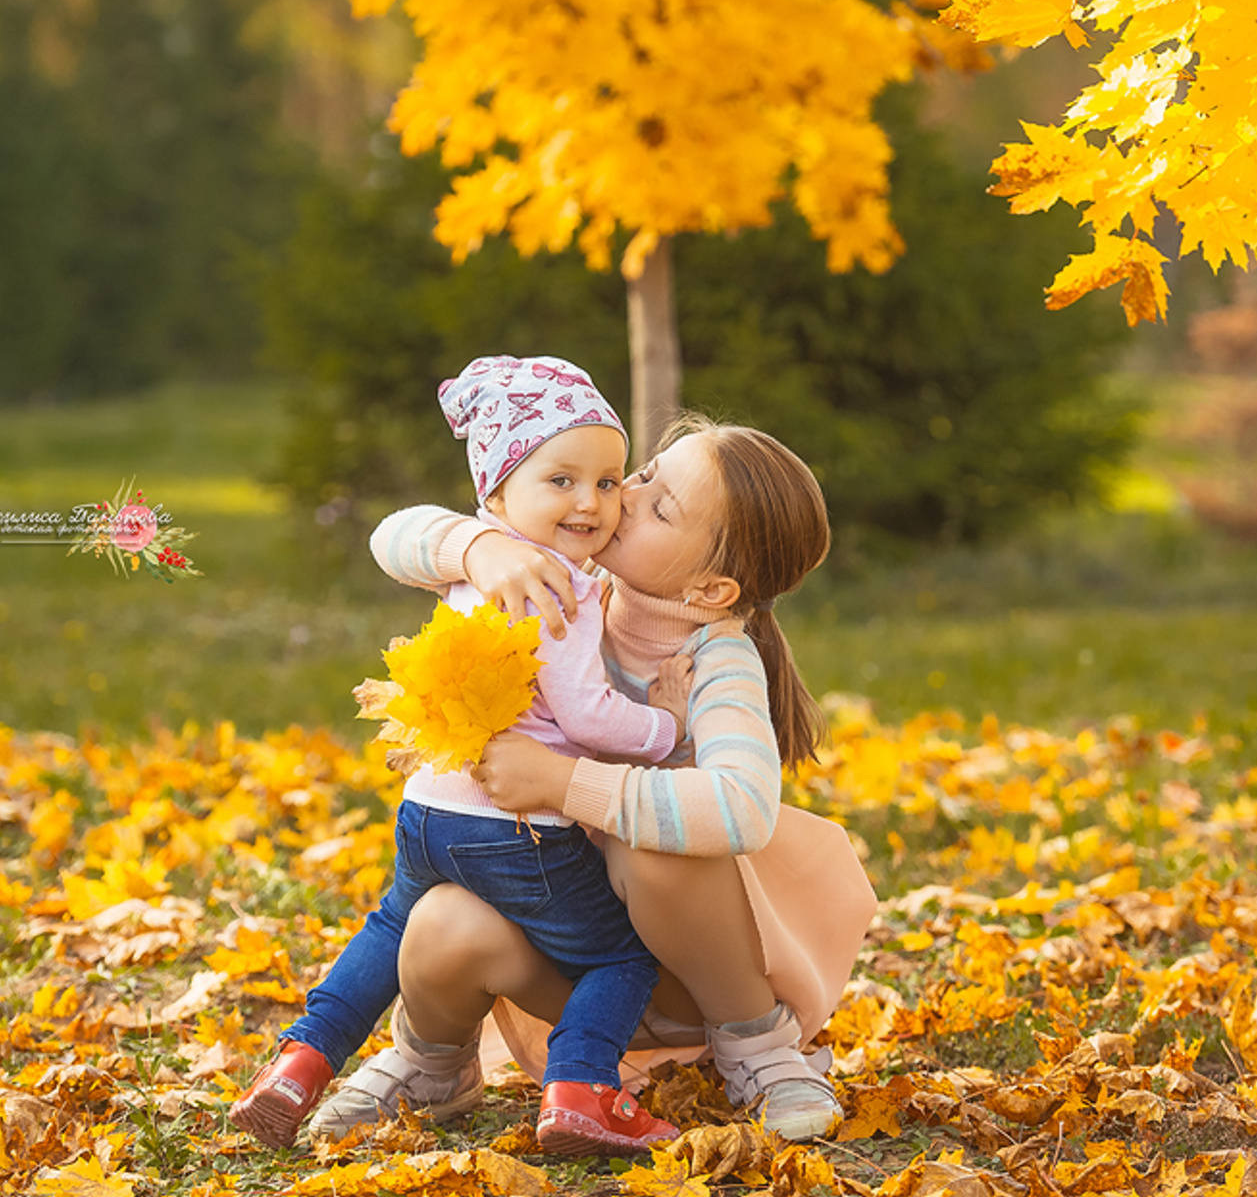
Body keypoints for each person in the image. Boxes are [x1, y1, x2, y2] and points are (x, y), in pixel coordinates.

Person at [319, 413, 878, 1145]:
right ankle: (434, 1062)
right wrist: (479, 547)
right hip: (574, 958)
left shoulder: (714, 659)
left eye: (660, 506)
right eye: (642, 476)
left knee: (657, 852)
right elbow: (393, 539)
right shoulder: (568, 582)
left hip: (687, 979)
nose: (621, 496)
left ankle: (758, 1046)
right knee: (441, 918)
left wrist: (561, 782)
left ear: (711, 589)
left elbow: (740, 809)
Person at [230, 356, 692, 1154]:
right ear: (497, 494)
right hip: (517, 826)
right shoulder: (560, 584)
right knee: (621, 957)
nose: (589, 501)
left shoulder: (477, 564)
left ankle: (299, 1064)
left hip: (429, 808)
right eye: (561, 480)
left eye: (608, 481)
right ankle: (583, 1088)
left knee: (389, 926)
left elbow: (412, 543)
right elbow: (586, 714)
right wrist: (667, 726)